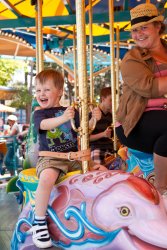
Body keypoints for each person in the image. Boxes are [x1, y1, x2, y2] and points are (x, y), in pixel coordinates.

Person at [31, 69, 102, 248]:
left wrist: (94, 118)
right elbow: (45, 125)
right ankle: (39, 221)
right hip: (51, 158)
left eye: (46, 90)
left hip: (73, 157)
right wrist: (63, 117)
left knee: (100, 171)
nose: (41, 94)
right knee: (47, 178)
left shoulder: (70, 112)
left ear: (60, 91)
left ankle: (100, 210)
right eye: (38, 90)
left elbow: (84, 129)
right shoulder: (39, 113)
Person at [115, 3, 167, 196]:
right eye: (135, 30)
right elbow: (149, 87)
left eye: (144, 27)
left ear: (157, 27)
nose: (139, 34)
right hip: (135, 122)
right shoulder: (132, 59)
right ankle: (162, 190)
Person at [90, 87, 113, 165]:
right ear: (103, 99)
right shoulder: (93, 114)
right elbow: (87, 138)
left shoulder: (111, 116)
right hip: (97, 148)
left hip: (110, 148)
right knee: (98, 168)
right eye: (111, 100)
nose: (113, 103)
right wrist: (103, 134)